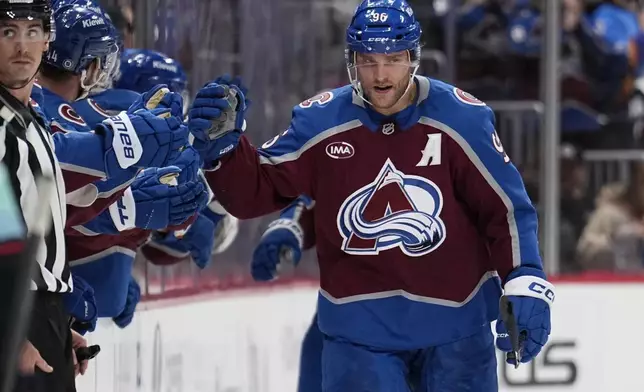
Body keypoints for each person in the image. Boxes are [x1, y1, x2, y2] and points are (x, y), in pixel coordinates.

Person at [191, 0, 555, 390]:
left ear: (413, 57)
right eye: (368, 60)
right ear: (352, 61)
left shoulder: (462, 119)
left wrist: (525, 277)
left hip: (457, 330)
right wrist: (225, 150)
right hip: (359, 333)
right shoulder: (319, 121)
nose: (381, 75)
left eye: (394, 58)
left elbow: (505, 209)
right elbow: (256, 193)